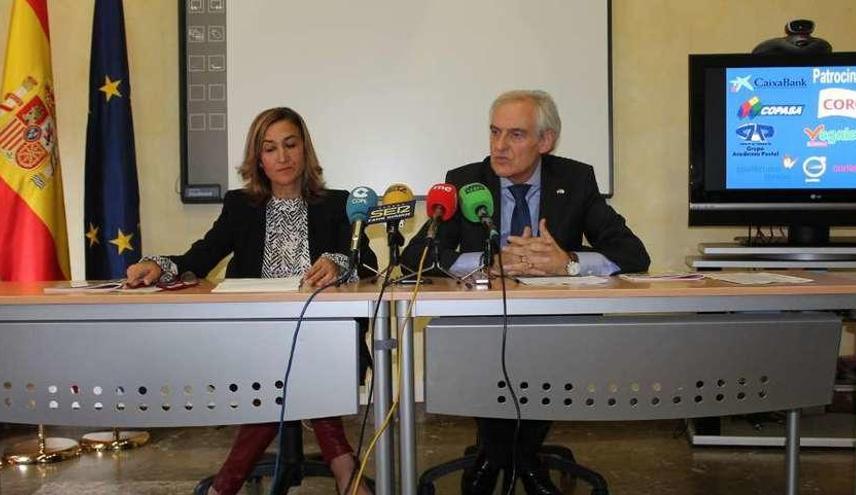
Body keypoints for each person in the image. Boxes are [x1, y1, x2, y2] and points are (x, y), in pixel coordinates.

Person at [401, 90, 649, 495]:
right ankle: (522, 459)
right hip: (481, 324)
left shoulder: (575, 179)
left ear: (545, 142)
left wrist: (567, 261)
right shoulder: (465, 181)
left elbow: (634, 253)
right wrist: (486, 262)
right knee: (486, 345)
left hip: (551, 327)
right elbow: (418, 256)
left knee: (545, 345)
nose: (499, 146)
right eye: (495, 132)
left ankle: (500, 456)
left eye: (515, 135)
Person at [126, 107, 375, 495]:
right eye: (270, 148)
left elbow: (367, 264)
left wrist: (340, 261)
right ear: (258, 158)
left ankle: (226, 486)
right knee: (284, 370)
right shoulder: (242, 206)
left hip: (323, 339)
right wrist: (158, 264)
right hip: (255, 339)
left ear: (305, 149)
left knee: (297, 365)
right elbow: (200, 258)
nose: (283, 157)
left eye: (291, 145)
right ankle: (345, 468)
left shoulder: (337, 203)